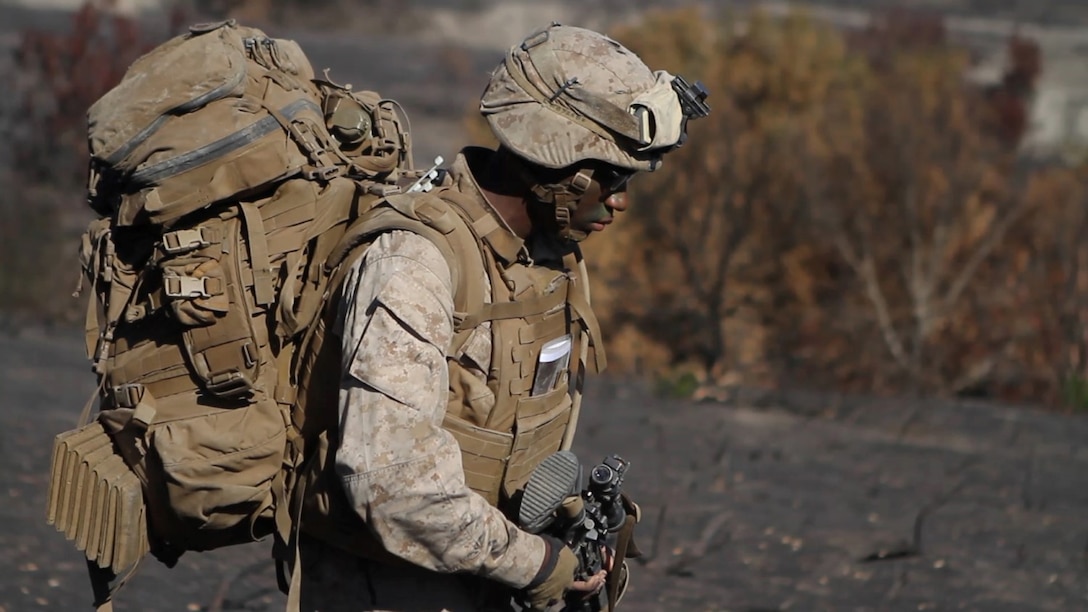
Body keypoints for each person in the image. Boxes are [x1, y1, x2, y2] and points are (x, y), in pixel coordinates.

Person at [293, 23, 707, 611]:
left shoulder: (549, 258)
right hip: (385, 587)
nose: (618, 200)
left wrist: (562, 532)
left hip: (487, 575)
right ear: (553, 159)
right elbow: (392, 485)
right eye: (610, 175)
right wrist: (537, 564)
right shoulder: (415, 263)